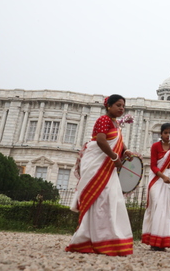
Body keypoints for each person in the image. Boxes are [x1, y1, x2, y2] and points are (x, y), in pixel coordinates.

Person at [65, 94, 134, 256]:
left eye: (123, 106)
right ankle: (87, 239)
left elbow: (117, 140)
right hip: (97, 164)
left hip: (108, 167)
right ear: (108, 106)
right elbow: (102, 141)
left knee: (110, 200)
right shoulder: (103, 120)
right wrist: (115, 157)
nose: (121, 108)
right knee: (98, 199)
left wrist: (126, 150)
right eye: (118, 105)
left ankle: (107, 238)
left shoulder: (115, 123)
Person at [141, 122, 170, 251]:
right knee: (157, 207)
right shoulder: (155, 146)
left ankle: (161, 242)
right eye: (165, 132)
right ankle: (153, 241)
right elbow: (154, 165)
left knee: (166, 210)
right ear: (161, 134)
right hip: (157, 179)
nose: (167, 135)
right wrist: (163, 176)